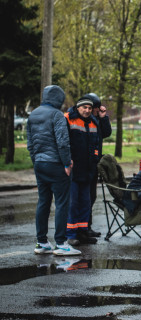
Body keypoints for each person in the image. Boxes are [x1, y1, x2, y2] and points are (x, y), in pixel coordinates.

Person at [27, 85, 81, 256]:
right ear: (59, 99)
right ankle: (61, 243)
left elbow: (30, 143)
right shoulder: (57, 115)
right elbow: (62, 142)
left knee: (43, 202)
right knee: (62, 203)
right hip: (57, 164)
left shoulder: (33, 114)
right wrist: (67, 163)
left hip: (40, 164)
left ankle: (42, 242)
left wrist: (36, 160)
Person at [64, 96, 101, 246]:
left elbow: (97, 143)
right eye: (84, 107)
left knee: (86, 202)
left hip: (88, 169)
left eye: (89, 108)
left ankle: (83, 232)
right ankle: (71, 234)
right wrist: (66, 161)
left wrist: (95, 158)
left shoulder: (94, 122)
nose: (87, 110)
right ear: (78, 107)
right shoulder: (68, 119)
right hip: (73, 169)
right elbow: (63, 142)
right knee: (73, 203)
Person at [86, 93, 112, 238]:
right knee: (87, 197)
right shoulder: (86, 121)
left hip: (94, 163)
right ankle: (84, 227)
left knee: (91, 196)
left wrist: (104, 117)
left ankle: (87, 226)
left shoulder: (96, 119)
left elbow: (106, 133)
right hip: (87, 164)